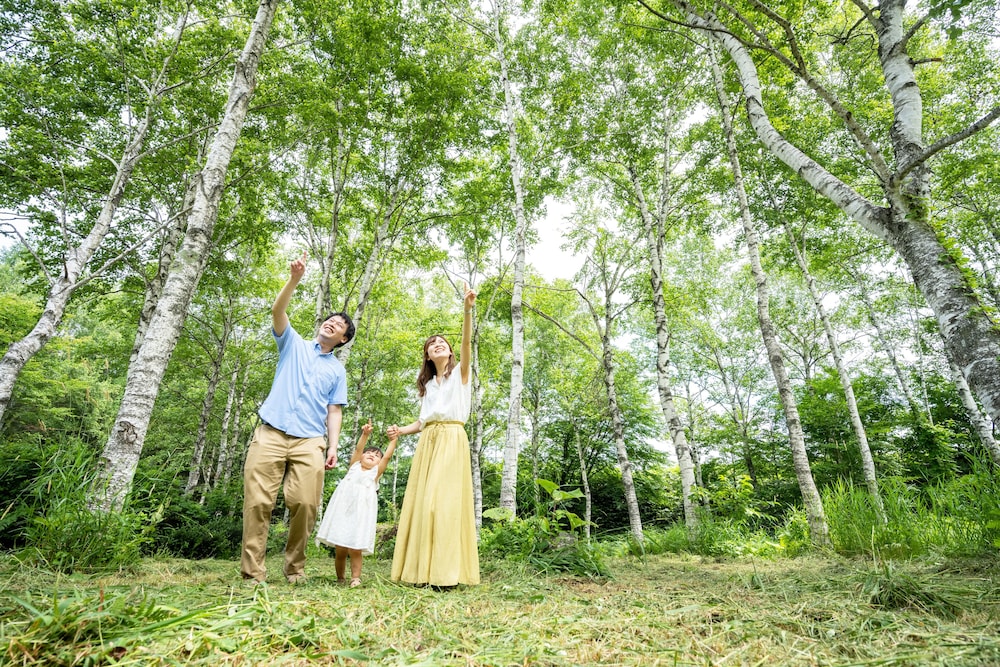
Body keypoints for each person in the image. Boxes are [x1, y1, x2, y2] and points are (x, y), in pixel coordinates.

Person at [241, 251, 355, 585]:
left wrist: (333, 446)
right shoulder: (292, 344)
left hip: (310, 441)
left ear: (343, 339)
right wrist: (294, 280)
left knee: (305, 503)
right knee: (258, 503)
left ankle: (294, 567)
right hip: (270, 434)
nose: (331, 323)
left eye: (340, 326)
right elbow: (278, 311)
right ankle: (253, 573)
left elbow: (335, 410)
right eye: (330, 319)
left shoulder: (337, 371)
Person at [387, 282, 480, 587]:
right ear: (427, 355)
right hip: (428, 442)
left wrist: (467, 310)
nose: (438, 344)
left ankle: (446, 574)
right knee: (424, 504)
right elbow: (423, 422)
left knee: (445, 504)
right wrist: (401, 430)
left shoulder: (460, 375)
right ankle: (421, 572)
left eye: (443, 342)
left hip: (452, 440)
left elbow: (467, 344)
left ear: (450, 351)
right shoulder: (427, 387)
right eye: (432, 343)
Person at [315, 418, 398, 587]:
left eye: (376, 456)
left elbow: (387, 456)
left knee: (355, 548)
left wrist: (394, 440)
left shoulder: (375, 473)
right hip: (342, 511)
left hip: (360, 515)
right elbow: (360, 447)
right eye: (369, 453)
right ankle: (340, 578)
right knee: (340, 549)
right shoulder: (354, 466)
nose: (372, 456)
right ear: (361, 457)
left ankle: (355, 578)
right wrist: (365, 434)